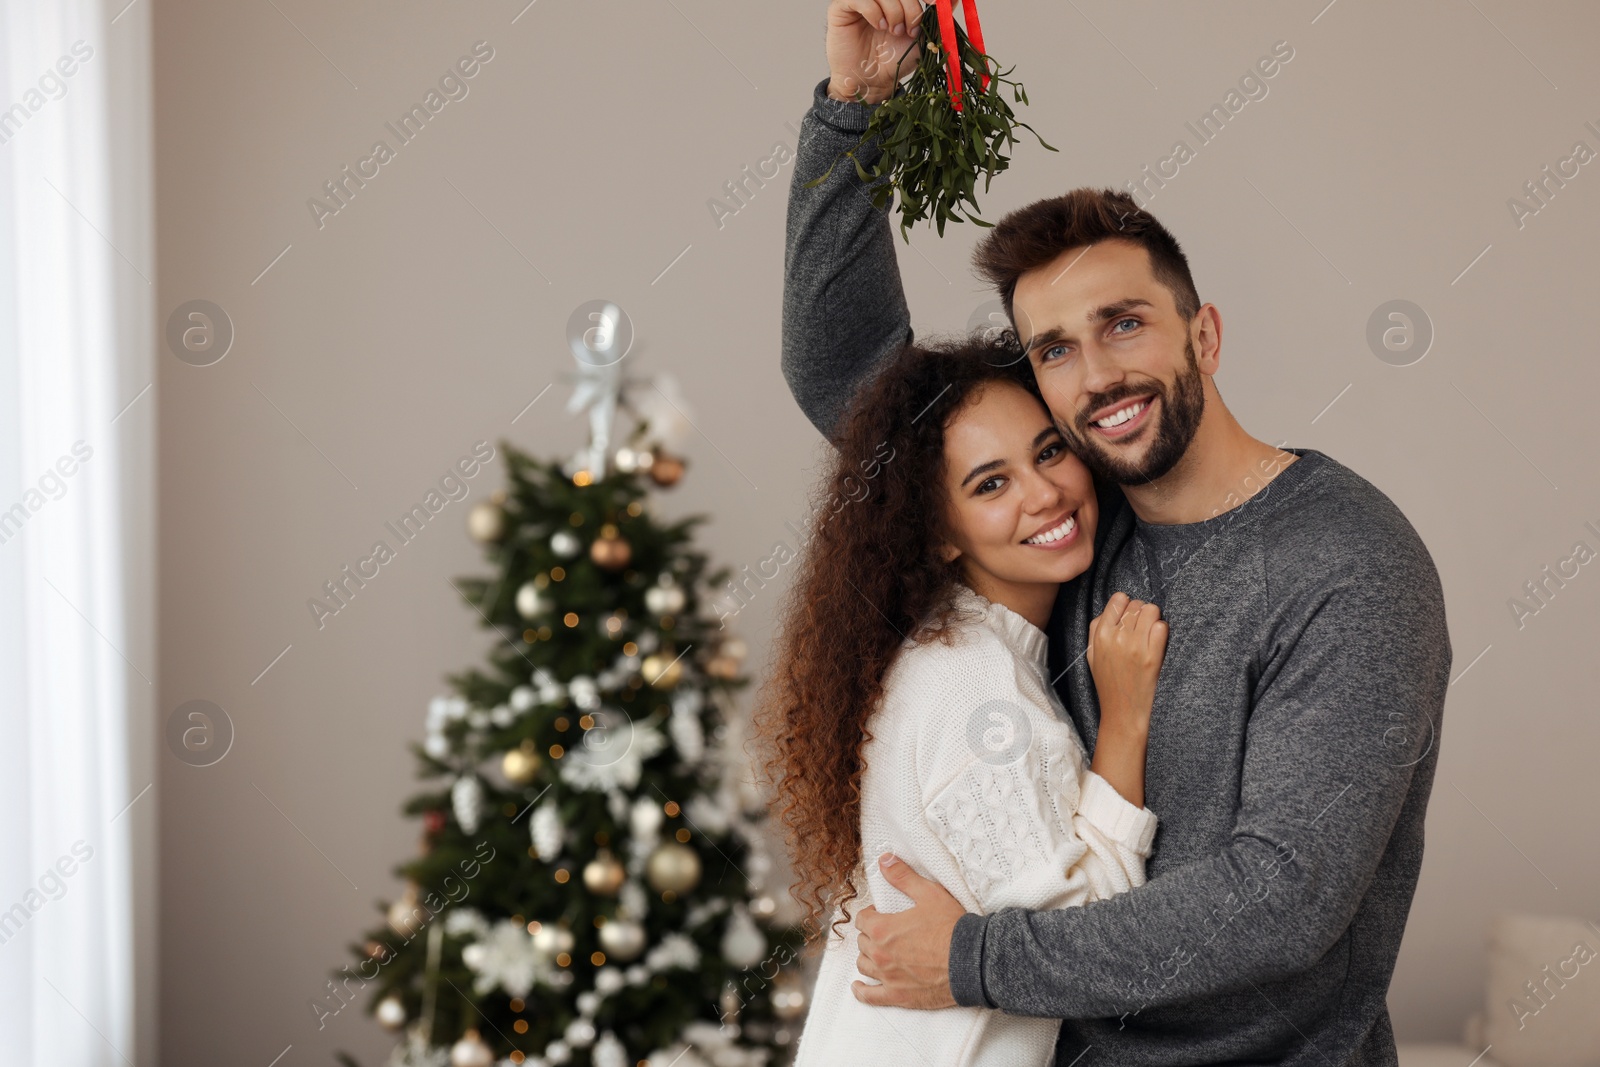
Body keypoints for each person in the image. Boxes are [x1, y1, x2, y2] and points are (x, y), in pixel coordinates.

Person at [775, 3, 1453, 1064]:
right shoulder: (1070, 511)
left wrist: (971, 960)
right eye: (1053, 349)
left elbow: (1278, 899)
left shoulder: (1348, 565)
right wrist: (855, 109)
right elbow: (851, 379)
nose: (1095, 379)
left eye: (1123, 323)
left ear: (1204, 332)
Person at [753, 337, 1169, 1066]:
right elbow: (1085, 943)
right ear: (940, 533)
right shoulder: (975, 681)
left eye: (1047, 452)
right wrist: (1127, 718)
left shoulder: (952, 653)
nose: (1043, 495)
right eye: (989, 485)